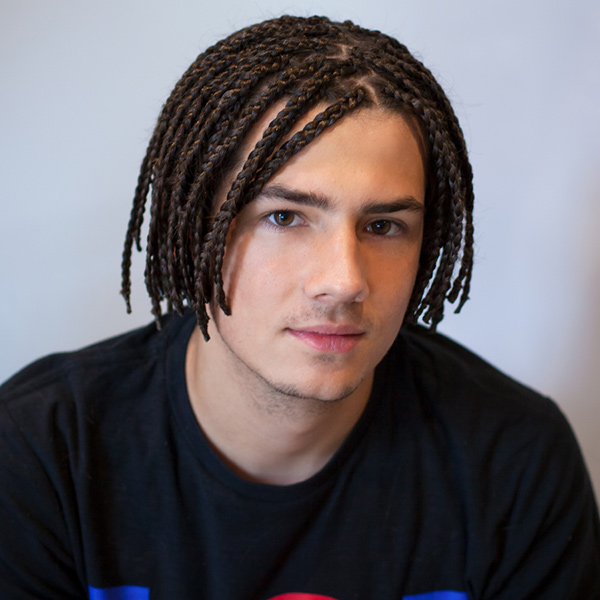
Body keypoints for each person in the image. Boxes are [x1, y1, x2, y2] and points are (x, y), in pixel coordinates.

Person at [0, 14, 598, 600]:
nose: (343, 282)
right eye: (284, 217)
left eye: (384, 226)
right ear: (194, 228)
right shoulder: (39, 453)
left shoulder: (517, 462)